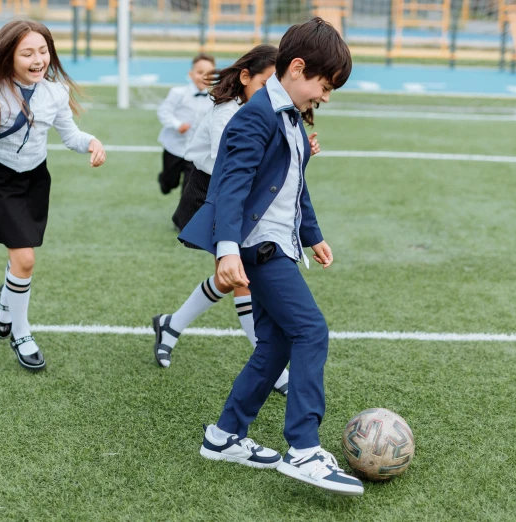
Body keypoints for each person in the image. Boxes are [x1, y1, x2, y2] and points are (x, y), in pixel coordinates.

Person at [178, 18, 363, 495]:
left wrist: (313, 233)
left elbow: (293, 184)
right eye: (325, 85)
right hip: (259, 248)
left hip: (282, 242)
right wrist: (225, 250)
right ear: (298, 68)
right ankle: (303, 448)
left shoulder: (292, 118)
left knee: (276, 344)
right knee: (311, 330)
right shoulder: (255, 116)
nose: (326, 96)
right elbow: (230, 186)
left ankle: (223, 437)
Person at [155, 45, 322, 400]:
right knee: (240, 279)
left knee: (234, 279)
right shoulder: (226, 110)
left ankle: (171, 325)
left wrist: (296, 148)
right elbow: (227, 166)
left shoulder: (264, 109)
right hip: (210, 192)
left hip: (242, 196)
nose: (271, 90)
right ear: (245, 78)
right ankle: (273, 368)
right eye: (265, 83)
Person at [0, 19, 106, 372]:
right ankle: (21, 333)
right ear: (10, 56)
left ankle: (6, 304)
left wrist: (91, 142)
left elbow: (69, 135)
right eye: (27, 52)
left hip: (36, 180)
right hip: (1, 181)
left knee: (21, 260)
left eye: (43, 51)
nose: (38, 58)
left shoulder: (55, 92)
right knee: (24, 260)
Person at [156, 53, 215, 197]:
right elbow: (163, 111)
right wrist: (177, 125)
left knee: (189, 188)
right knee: (171, 181)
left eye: (209, 74)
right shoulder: (178, 93)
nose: (203, 77)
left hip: (195, 152)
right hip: (174, 147)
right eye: (200, 72)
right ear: (191, 73)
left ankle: (184, 216)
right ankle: (164, 181)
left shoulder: (213, 99)